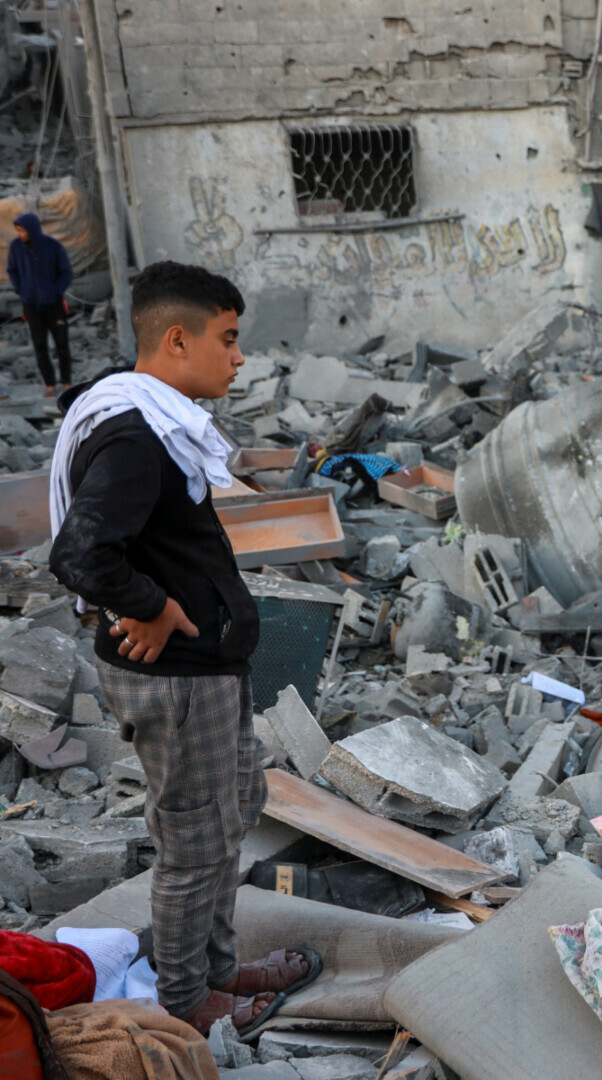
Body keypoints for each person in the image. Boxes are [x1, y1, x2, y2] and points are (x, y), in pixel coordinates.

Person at [47, 262, 319, 1038]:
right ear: (176, 339)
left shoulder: (158, 423)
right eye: (228, 340)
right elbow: (82, 554)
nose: (239, 358)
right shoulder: (136, 437)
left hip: (206, 670)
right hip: (177, 679)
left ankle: (218, 971)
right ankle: (185, 1000)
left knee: (228, 818)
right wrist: (155, 606)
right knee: (194, 844)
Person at [7, 212, 74, 396]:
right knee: (40, 345)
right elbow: (12, 270)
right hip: (31, 306)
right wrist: (22, 290)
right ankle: (50, 385)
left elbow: (66, 272)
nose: (20, 234)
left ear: (32, 229)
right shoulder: (16, 247)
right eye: (18, 231)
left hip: (54, 305)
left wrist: (55, 291)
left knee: (62, 343)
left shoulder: (52, 246)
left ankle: (67, 382)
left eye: (22, 230)